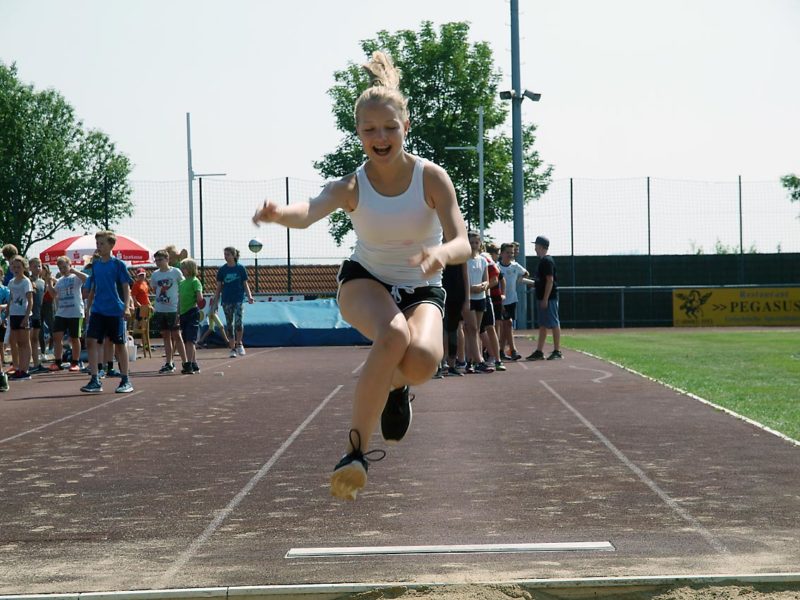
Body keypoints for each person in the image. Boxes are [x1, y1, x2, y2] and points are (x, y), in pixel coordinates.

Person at [252, 51, 470, 500]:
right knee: (392, 337)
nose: (381, 137)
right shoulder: (352, 185)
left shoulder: (432, 178)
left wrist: (441, 253)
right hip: (364, 281)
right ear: (358, 134)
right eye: (370, 130)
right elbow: (309, 211)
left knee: (422, 363)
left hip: (423, 285)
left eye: (390, 127)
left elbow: (464, 241)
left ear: (406, 127)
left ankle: (394, 388)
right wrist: (279, 215)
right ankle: (355, 453)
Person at [80, 231, 134, 393]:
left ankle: (125, 379)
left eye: (102, 243)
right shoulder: (95, 266)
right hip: (98, 309)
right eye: (97, 244)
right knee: (90, 340)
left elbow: (126, 287)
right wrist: (88, 309)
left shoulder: (118, 265)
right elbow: (93, 289)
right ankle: (95, 379)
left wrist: (126, 307)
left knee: (119, 344)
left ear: (111, 245)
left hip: (114, 310)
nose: (99, 246)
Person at [46, 256, 88, 372]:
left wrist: (74, 271)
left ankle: (75, 362)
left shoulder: (75, 277)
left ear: (70, 265)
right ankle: (58, 361)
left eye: (65, 267)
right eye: (60, 268)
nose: (63, 270)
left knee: (74, 338)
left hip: (75, 312)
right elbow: (54, 294)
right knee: (57, 337)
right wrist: (49, 283)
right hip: (61, 312)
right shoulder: (59, 281)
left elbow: (87, 279)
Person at [150, 249, 188, 374]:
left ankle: (185, 362)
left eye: (160, 260)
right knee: (166, 336)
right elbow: (155, 287)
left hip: (173, 309)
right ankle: (169, 362)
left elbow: (182, 286)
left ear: (167, 259)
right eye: (156, 260)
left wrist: (180, 306)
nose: (158, 262)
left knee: (177, 335)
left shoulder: (175, 272)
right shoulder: (155, 274)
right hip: (161, 309)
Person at [212, 246, 253, 358]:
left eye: (228, 254)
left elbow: (245, 284)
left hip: (238, 299)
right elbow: (219, 288)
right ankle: (232, 348)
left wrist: (249, 296)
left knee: (239, 322)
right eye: (224, 254)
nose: (226, 257)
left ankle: (239, 344)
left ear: (234, 255)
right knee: (229, 324)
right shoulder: (222, 270)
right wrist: (215, 303)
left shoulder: (240, 268)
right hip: (226, 300)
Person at [527, 235, 563, 361]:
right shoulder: (543, 261)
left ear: (541, 246)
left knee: (553, 323)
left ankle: (557, 350)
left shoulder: (547, 261)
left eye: (536, 245)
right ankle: (539, 351)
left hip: (549, 298)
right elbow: (541, 281)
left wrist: (546, 299)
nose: (535, 248)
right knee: (543, 324)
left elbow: (550, 281)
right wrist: (525, 281)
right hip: (543, 297)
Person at [465, 232, 494, 374]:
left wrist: (483, 286)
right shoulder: (464, 260)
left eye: (476, 242)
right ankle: (469, 361)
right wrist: (471, 288)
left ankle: (475, 361)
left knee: (476, 330)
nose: (474, 245)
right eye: (471, 242)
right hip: (469, 298)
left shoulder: (483, 260)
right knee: (470, 328)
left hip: (480, 298)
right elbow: (463, 282)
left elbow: (487, 280)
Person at [497, 242, 529, 361]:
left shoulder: (515, 266)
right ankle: (508, 350)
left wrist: (521, 278)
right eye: (507, 252)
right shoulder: (497, 267)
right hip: (500, 300)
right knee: (504, 325)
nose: (510, 255)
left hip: (512, 300)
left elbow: (526, 273)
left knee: (508, 324)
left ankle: (506, 350)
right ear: (502, 253)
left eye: (512, 252)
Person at [7, 256, 33, 381]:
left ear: (24, 268)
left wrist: (26, 316)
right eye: (14, 267)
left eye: (19, 267)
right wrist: (7, 312)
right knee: (17, 343)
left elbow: (30, 300)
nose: (16, 269)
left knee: (24, 343)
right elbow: (11, 298)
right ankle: (19, 369)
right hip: (14, 314)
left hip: (23, 314)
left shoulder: (26, 281)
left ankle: (25, 370)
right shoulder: (11, 282)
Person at [178, 257, 203, 373]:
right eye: (182, 268)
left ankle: (189, 364)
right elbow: (180, 299)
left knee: (190, 340)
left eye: (184, 268)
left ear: (190, 269)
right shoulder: (182, 283)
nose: (182, 270)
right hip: (183, 313)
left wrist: (199, 299)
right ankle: (193, 362)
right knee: (186, 339)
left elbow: (199, 297)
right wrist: (178, 313)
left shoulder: (195, 281)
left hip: (192, 312)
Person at [27, 257, 47, 374]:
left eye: (39, 266)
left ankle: (36, 363)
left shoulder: (42, 282)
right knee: (28, 340)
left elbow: (42, 298)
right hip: (29, 314)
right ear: (30, 268)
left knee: (35, 339)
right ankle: (27, 363)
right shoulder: (28, 281)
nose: (37, 268)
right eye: (35, 266)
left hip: (38, 314)